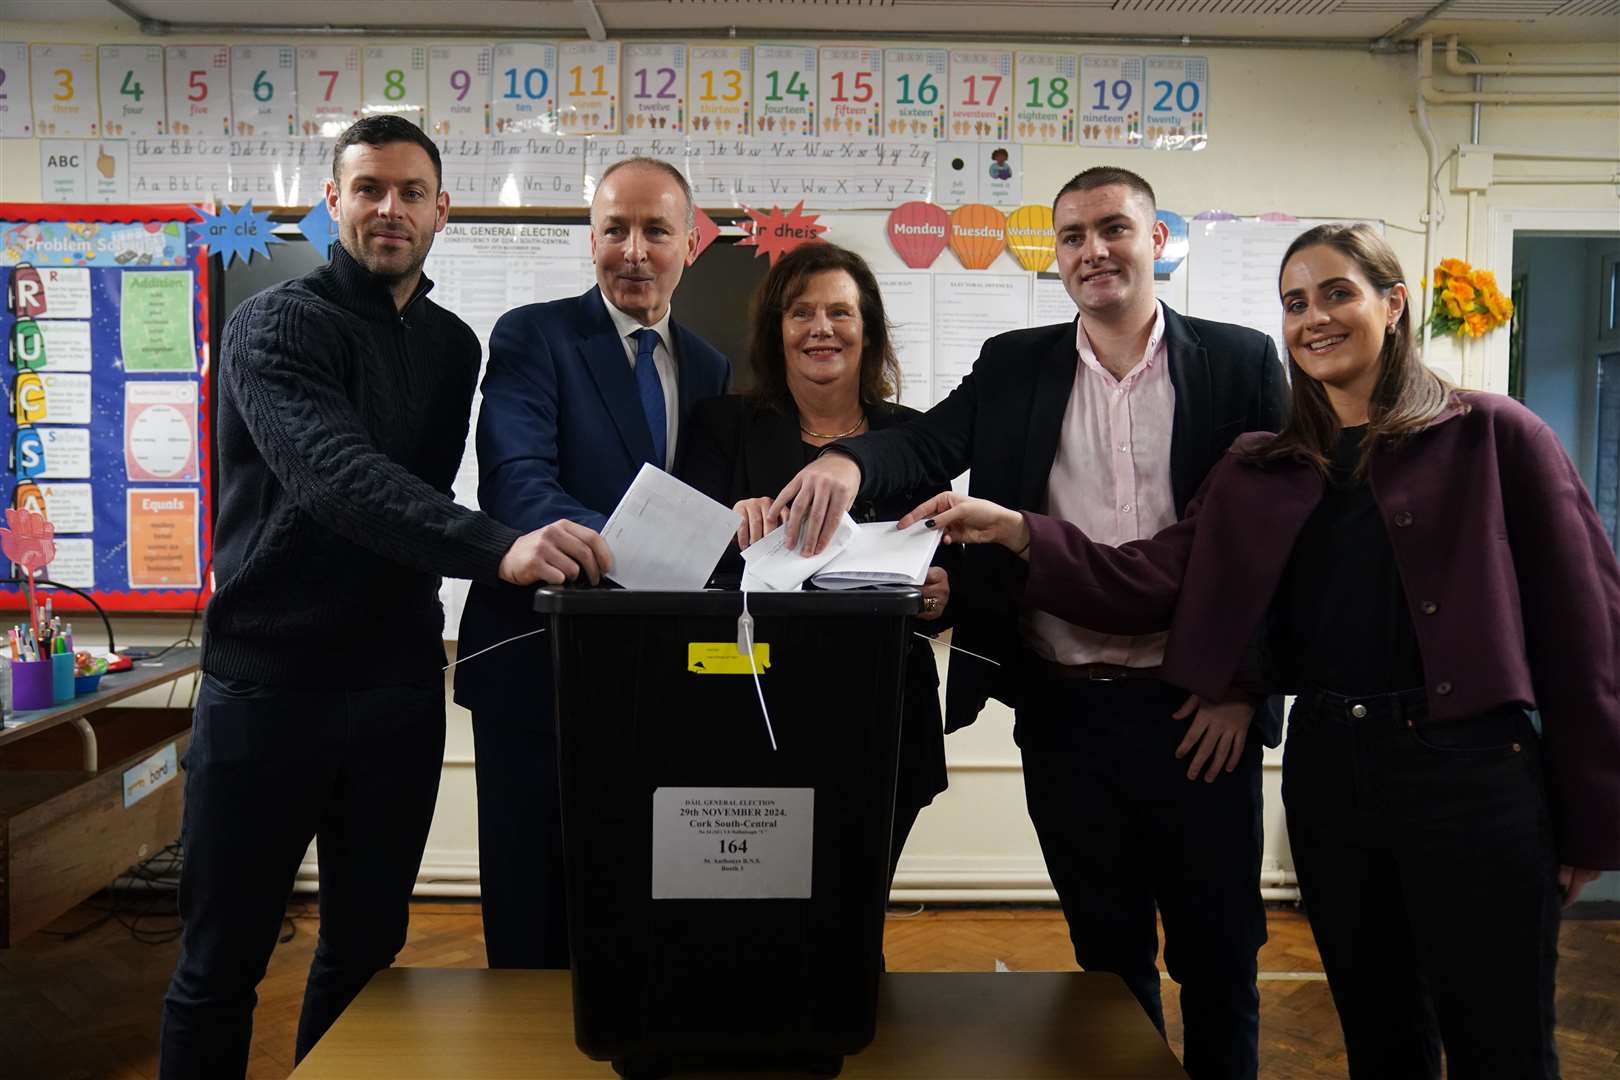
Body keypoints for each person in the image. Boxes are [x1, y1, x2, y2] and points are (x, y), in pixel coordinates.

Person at [905, 223, 1620, 1079]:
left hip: (1473, 775)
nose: (1313, 318)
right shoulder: (1264, 465)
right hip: (1331, 778)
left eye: (1336, 293)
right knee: (1381, 1037)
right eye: (1294, 302)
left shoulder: (1496, 436)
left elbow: (1588, 632)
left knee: (1501, 1045)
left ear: (1394, 304)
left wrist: (1588, 815)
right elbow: (1146, 582)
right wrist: (1018, 531)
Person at [770, 166, 1287, 1079]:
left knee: (1219, 959)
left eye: (1113, 229)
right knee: (1107, 961)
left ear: (1155, 240)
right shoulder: (1017, 364)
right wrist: (850, 462)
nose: (1094, 251)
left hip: (1197, 712)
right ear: (1058, 258)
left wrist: (1243, 690)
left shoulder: (1240, 363)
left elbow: (1276, 546)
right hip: (1066, 713)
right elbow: (927, 445)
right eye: (1074, 236)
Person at [159, 116, 597, 1079]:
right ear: (333, 204)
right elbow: (337, 478)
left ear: (443, 210)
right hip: (268, 691)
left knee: (364, 953)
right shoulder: (271, 326)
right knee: (218, 968)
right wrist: (499, 547)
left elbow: (418, 501)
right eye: (368, 190)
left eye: (409, 192)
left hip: (397, 690)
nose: (388, 209)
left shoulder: (453, 347)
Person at [454, 158, 730, 969]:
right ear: (593, 240)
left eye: (655, 231)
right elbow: (517, 482)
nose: (634, 251)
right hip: (537, 667)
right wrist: (646, 554)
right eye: (615, 230)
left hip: (654, 680)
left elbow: (709, 510)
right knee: (529, 905)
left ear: (690, 242)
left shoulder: (711, 367)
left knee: (634, 901)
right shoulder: (533, 334)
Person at [679, 242, 953, 887]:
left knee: (853, 904)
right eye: (801, 313)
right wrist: (728, 525)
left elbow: (946, 563)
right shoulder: (723, 426)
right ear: (777, 332)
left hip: (881, 710)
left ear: (869, 331)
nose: (821, 328)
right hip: (748, 705)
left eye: (840, 312)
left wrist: (945, 592)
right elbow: (684, 559)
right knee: (754, 906)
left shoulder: (913, 436)